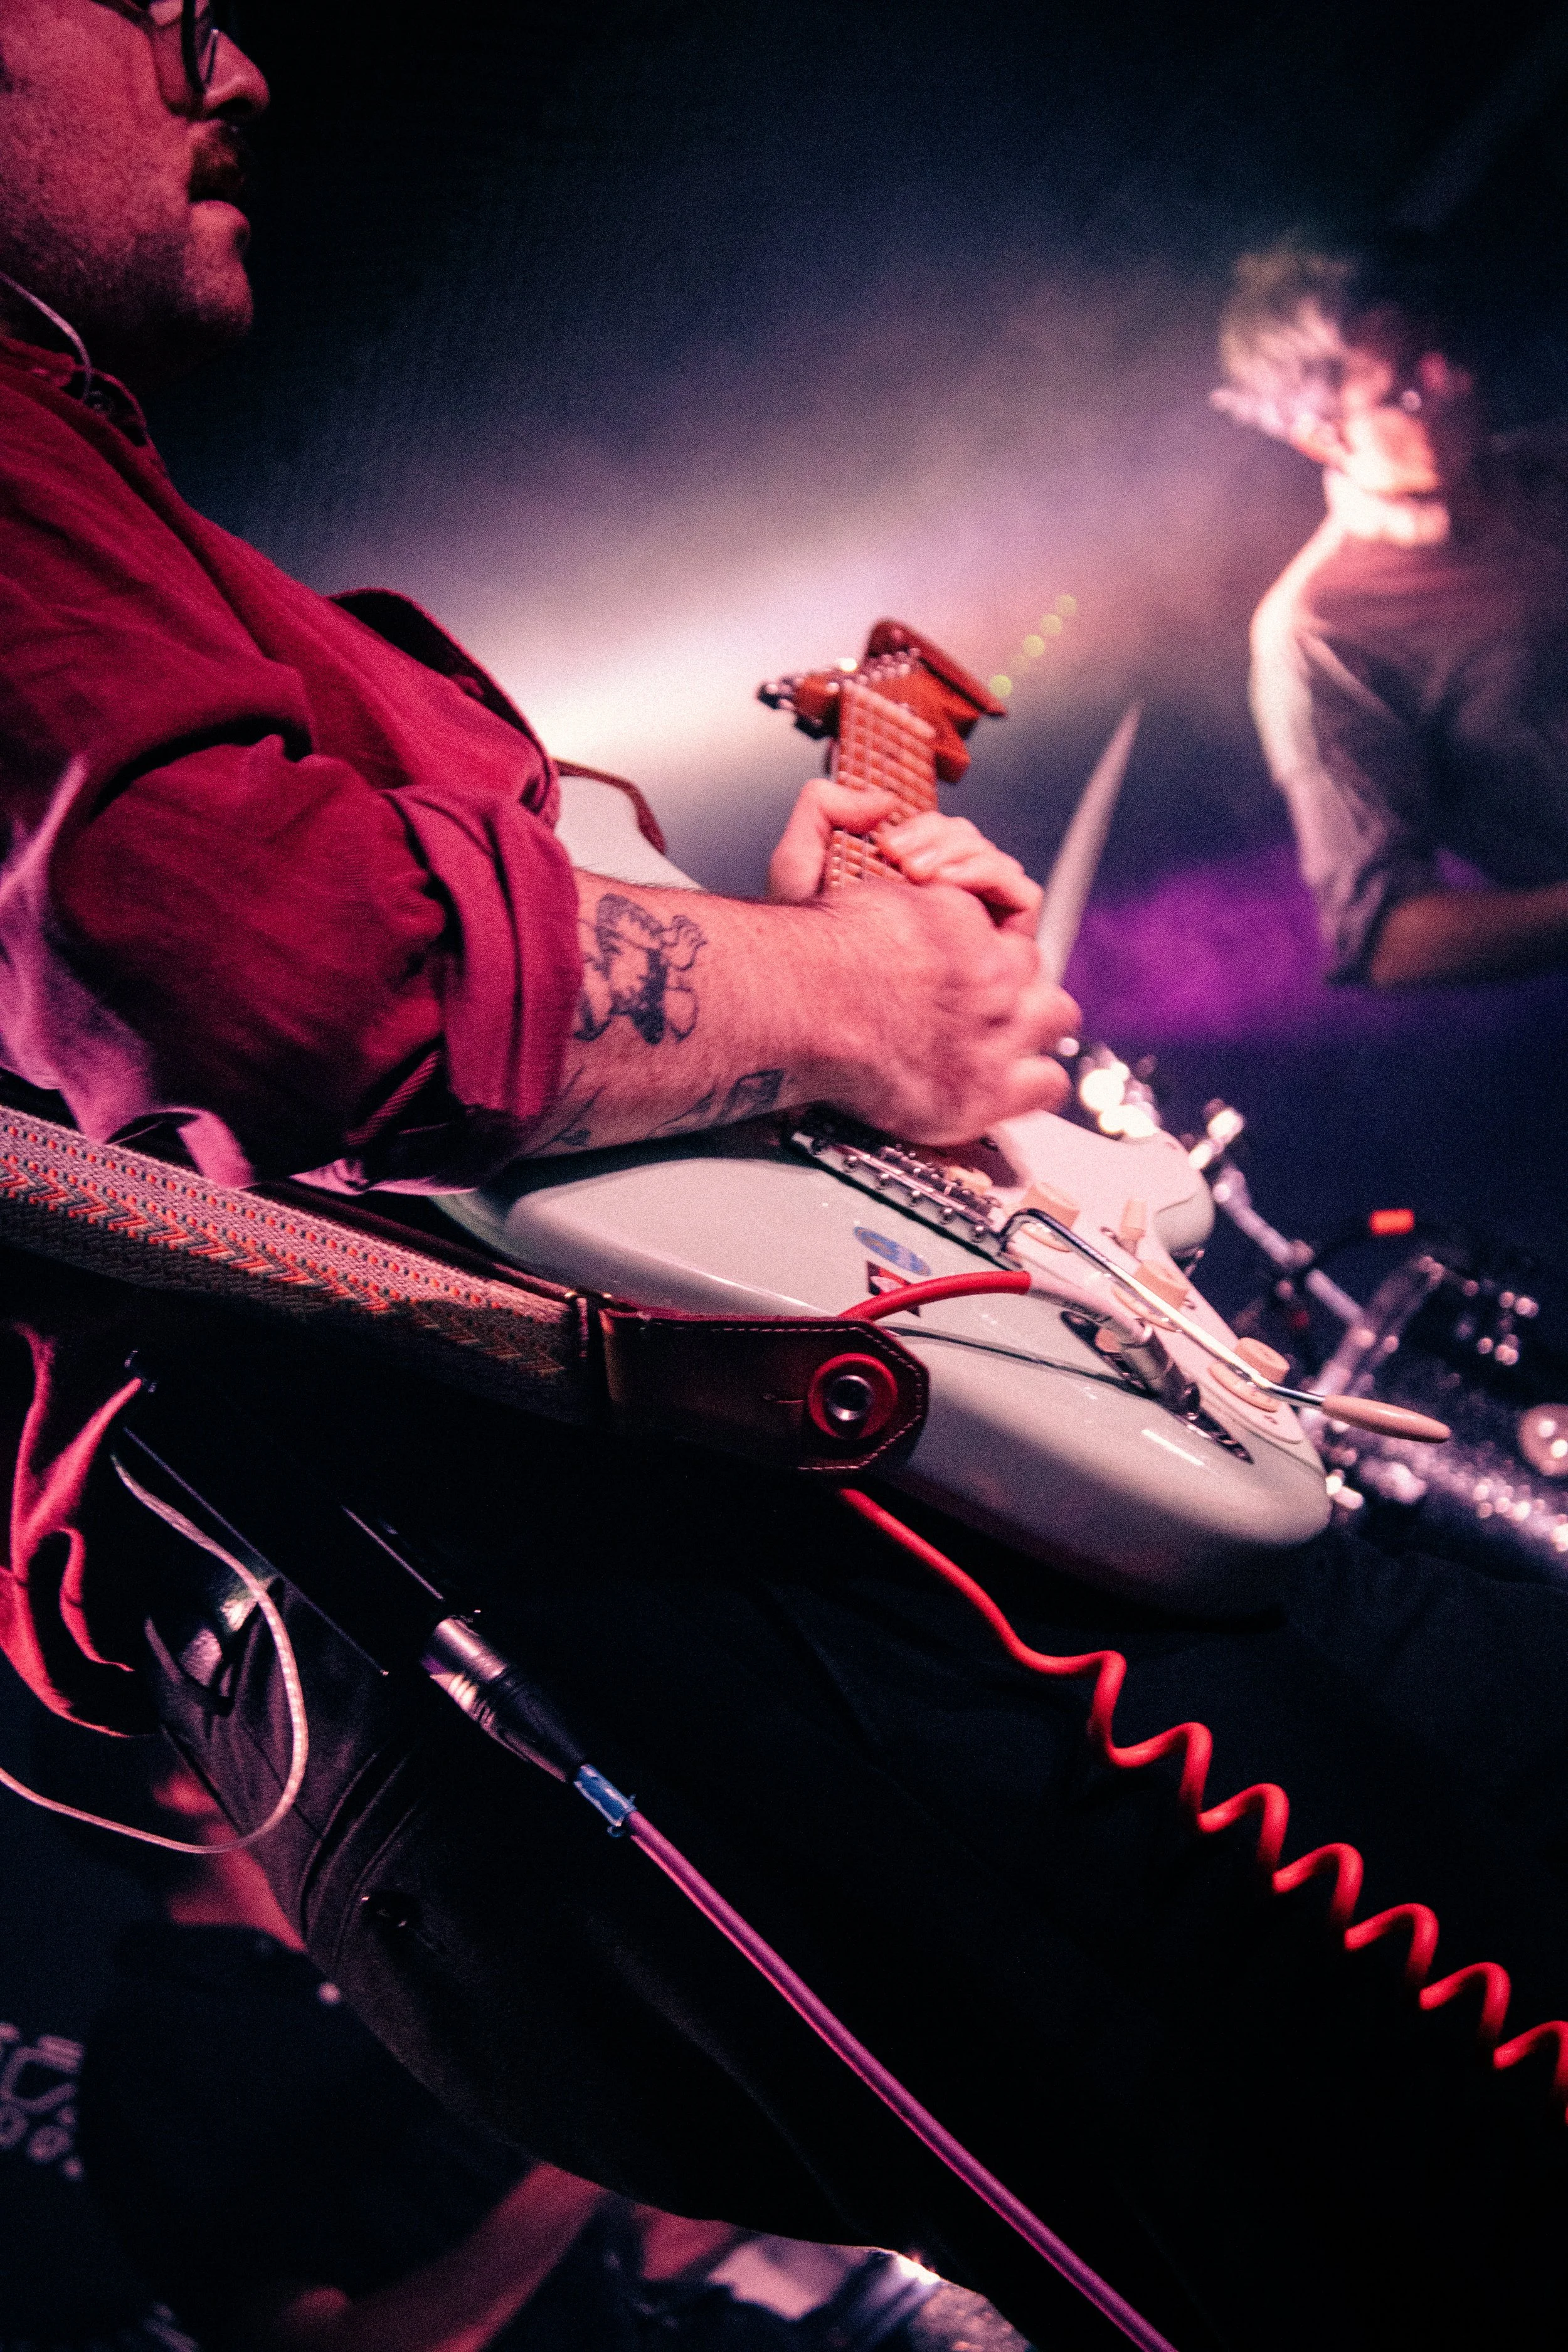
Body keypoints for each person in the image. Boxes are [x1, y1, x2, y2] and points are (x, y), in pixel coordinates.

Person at [7, 13, 1568, 2351]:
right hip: (540, 1539)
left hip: (626, 1500)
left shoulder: (110, 494)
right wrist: (865, 1003)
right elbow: (301, 957)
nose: (228, 54)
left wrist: (810, 977)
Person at [76, 1752, 1019, 2352]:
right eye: (228, 1732)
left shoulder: (363, 1970)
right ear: (180, 1787)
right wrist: (591, 2146)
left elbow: (600, 2246)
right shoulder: (162, 2054)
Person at [1213, 240, 1568, 987]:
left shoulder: (1550, 465)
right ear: (1321, 436)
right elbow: (1388, 939)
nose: (1455, 382)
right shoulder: (1320, 634)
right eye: (1404, 392)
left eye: (1442, 354)